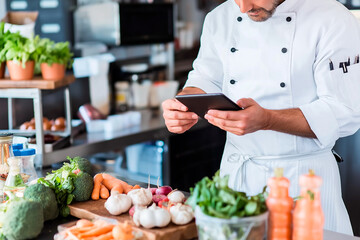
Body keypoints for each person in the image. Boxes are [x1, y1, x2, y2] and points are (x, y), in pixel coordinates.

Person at [162, 0, 360, 235]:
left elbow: (345, 111)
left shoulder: (331, 17)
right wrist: (184, 103)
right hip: (235, 182)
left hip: (303, 182)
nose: (244, 8)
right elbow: (206, 78)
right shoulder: (219, 18)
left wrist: (267, 119)